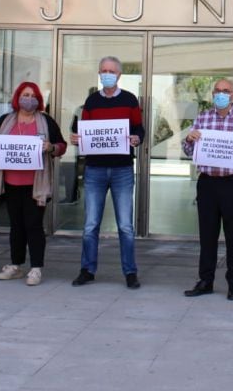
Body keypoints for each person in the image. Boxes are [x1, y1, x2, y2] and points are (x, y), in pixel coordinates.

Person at [182, 78, 233, 300]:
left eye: (225, 91)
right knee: (207, 234)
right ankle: (205, 281)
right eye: (217, 91)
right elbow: (188, 150)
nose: (221, 94)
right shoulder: (202, 118)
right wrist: (189, 139)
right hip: (207, 182)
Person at [69, 56, 144, 289]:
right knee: (91, 224)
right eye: (103, 70)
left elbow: (139, 128)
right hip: (95, 170)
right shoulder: (91, 101)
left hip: (122, 169)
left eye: (111, 70)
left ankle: (130, 272)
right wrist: (77, 138)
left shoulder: (130, 99)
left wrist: (137, 138)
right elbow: (82, 129)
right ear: (99, 74)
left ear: (119, 75)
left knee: (125, 226)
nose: (107, 74)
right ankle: (87, 270)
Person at [0, 82, 66, 286]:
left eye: (32, 95)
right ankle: (16, 265)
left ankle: (36, 268)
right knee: (16, 226)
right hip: (11, 182)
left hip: (36, 185)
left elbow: (61, 146)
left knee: (34, 226)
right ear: (17, 97)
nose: (28, 99)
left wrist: (51, 147)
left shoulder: (46, 122)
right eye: (25, 94)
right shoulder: (6, 121)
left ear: (38, 99)